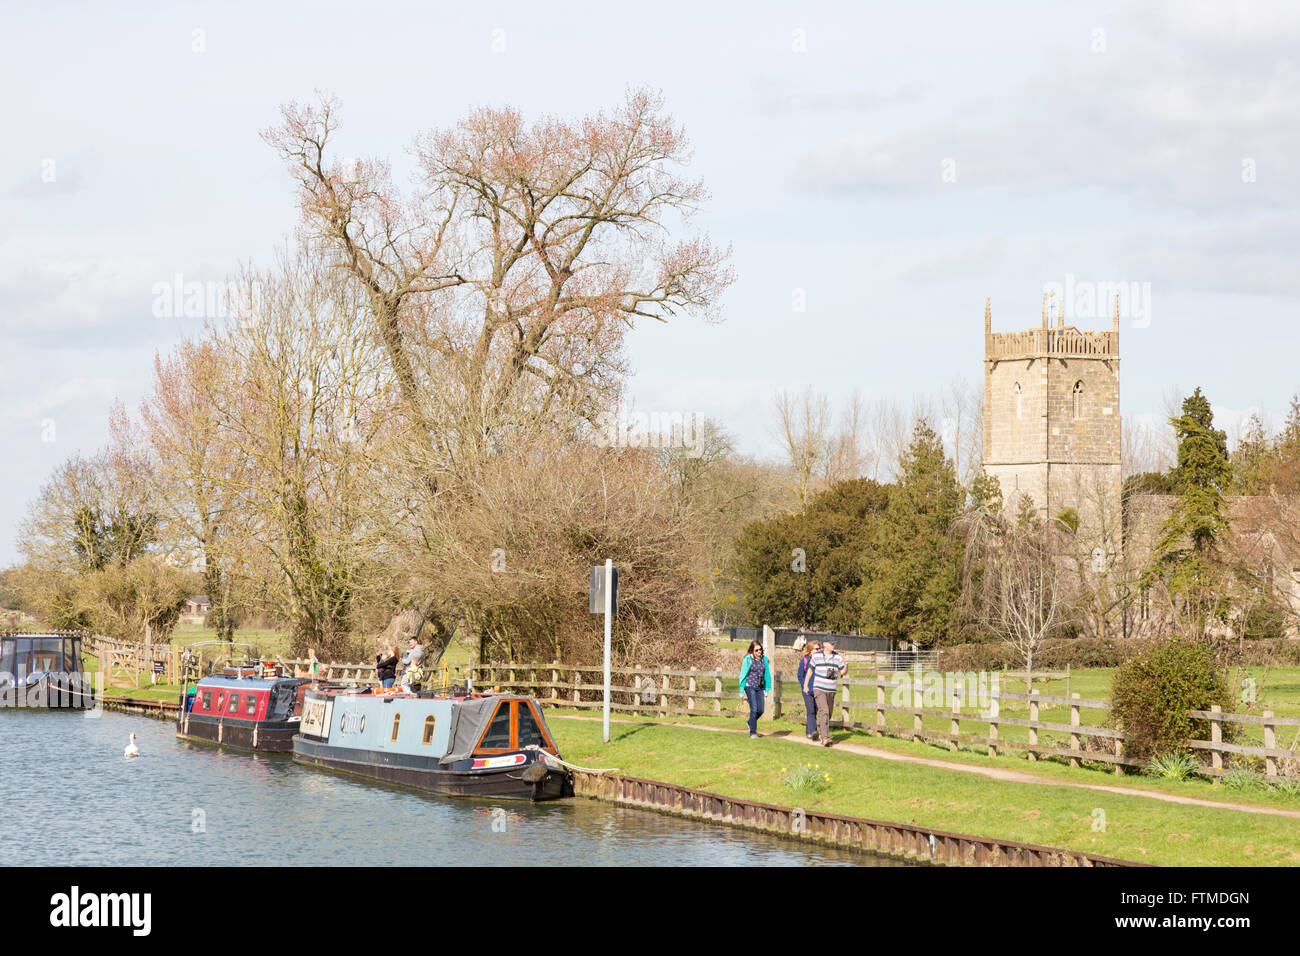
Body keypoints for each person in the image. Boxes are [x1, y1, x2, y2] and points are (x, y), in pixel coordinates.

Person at [805, 637, 847, 747]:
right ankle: (825, 738)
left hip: (831, 690)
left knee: (829, 714)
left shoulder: (837, 657)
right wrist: (805, 685)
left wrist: (846, 664)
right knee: (824, 711)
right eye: (831, 643)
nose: (834, 645)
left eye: (834, 643)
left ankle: (820, 733)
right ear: (825, 644)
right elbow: (810, 670)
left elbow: (843, 671)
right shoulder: (817, 656)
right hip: (819, 689)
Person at [737, 641, 771, 739]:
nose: (759, 651)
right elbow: (743, 675)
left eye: (760, 649)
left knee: (761, 710)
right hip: (750, 686)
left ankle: (750, 722)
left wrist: (766, 689)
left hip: (760, 687)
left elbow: (767, 675)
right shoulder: (747, 659)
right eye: (756, 650)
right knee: (754, 709)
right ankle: (753, 732)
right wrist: (741, 690)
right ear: (752, 651)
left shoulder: (764, 659)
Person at [795, 638, 822, 740]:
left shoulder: (820, 661)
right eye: (816, 649)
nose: (818, 650)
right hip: (807, 690)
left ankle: (808, 732)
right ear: (810, 650)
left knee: (814, 710)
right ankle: (814, 732)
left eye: (819, 649)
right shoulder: (805, 660)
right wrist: (804, 686)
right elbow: (800, 675)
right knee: (810, 710)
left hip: (817, 689)